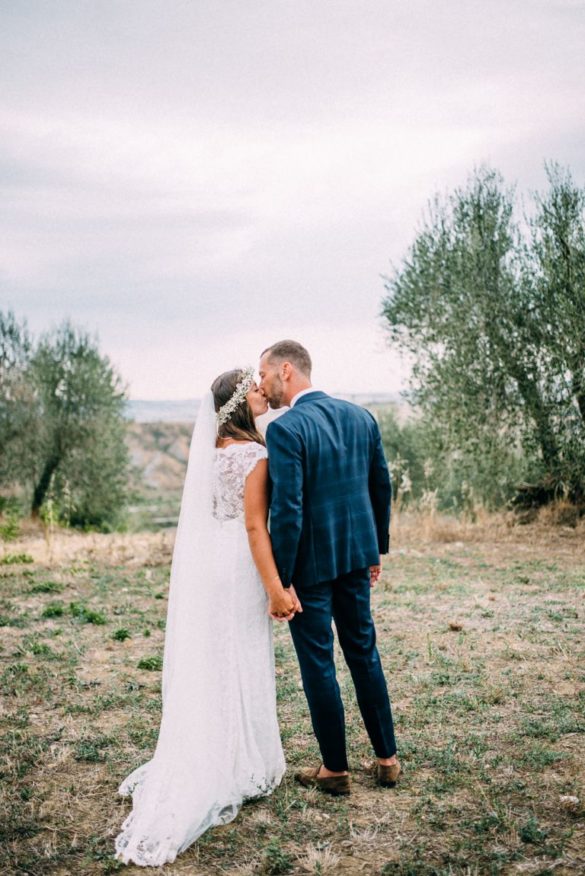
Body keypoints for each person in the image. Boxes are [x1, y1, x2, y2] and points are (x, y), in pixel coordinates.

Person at [114, 367, 300, 867]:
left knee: (213, 658)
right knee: (239, 654)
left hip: (211, 566)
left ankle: (214, 749)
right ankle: (236, 763)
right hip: (241, 565)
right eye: (257, 391)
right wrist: (277, 588)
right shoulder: (254, 454)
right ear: (241, 403)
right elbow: (255, 528)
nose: (264, 395)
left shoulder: (214, 452)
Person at [258, 340, 400, 796]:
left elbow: (287, 511)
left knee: (319, 663)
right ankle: (387, 759)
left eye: (263, 374)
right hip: (357, 559)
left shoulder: (286, 429)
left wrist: (280, 581)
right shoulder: (361, 418)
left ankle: (335, 770)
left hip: (311, 570)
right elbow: (381, 485)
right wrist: (374, 548)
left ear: (285, 370)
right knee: (364, 653)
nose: (262, 385)